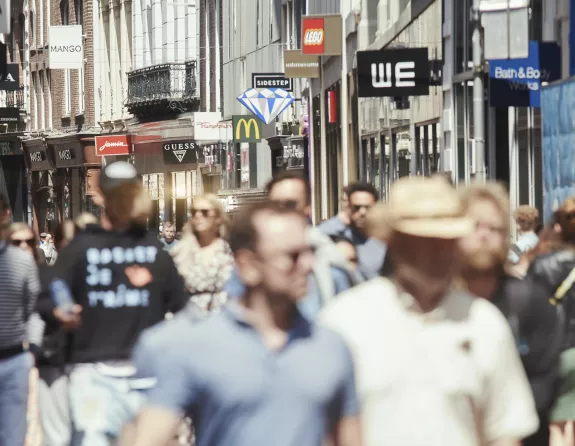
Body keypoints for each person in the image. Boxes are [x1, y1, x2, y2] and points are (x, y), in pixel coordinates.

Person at [320, 176, 539, 446]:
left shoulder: (483, 323)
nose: (437, 252)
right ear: (396, 243)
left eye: (447, 240)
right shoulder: (347, 320)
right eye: (423, 240)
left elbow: (504, 431)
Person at [131, 202, 361, 446]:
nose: (308, 265)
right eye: (292, 256)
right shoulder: (196, 345)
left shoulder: (332, 347)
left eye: (309, 253)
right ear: (248, 266)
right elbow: (150, 437)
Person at [48, 161, 189, 445]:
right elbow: (53, 286)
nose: (123, 200)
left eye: (129, 192)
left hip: (146, 375)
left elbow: (183, 307)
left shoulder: (153, 250)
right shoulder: (83, 248)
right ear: (102, 197)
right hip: (92, 373)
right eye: (116, 193)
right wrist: (62, 310)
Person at [458, 182, 562, 446]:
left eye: (493, 228)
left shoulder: (530, 302)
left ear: (506, 237)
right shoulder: (434, 302)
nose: (483, 235)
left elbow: (544, 381)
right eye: (475, 226)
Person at [224, 172, 358, 321]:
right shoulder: (249, 265)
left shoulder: (332, 265)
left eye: (291, 204)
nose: (283, 212)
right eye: (276, 205)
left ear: (308, 207)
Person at [527, 196, 575, 445]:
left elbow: (532, 309)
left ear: (558, 228)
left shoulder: (543, 265)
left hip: (560, 349)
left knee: (557, 425)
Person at [0, 196, 41, 446]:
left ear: (5, 214)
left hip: (15, 359)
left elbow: (34, 309)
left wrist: (32, 351)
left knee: (14, 437)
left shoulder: (22, 261)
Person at [170, 195, 233, 315]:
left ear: (218, 218)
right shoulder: (181, 250)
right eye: (194, 212)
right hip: (188, 318)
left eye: (204, 212)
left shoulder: (228, 250)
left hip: (220, 318)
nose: (198, 216)